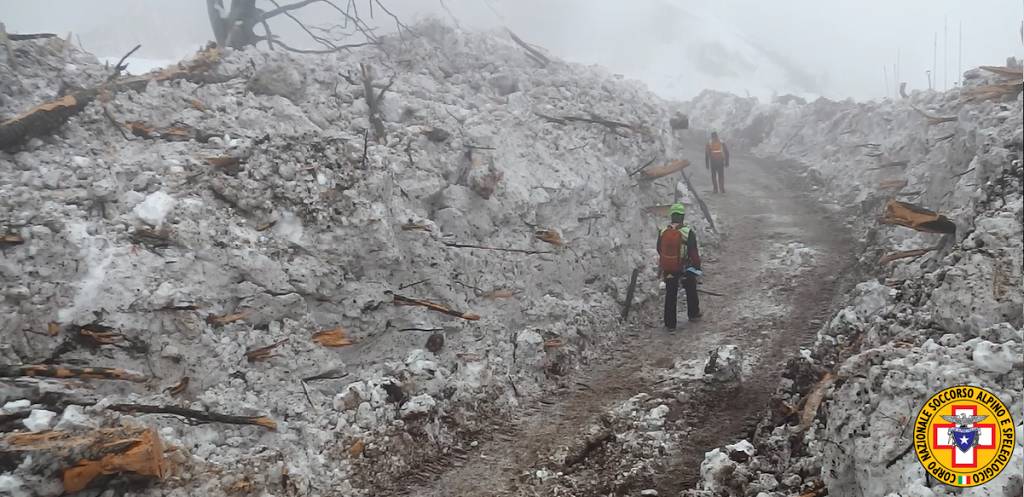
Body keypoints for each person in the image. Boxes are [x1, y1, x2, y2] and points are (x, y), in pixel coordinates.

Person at [656, 203, 702, 330]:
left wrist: (668, 260)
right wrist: (697, 266)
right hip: (685, 267)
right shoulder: (688, 232)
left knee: (670, 294)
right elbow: (693, 252)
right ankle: (693, 313)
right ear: (682, 216)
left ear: (671, 216)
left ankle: (670, 324)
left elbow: (659, 249)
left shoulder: (663, 231)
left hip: (669, 267)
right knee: (691, 287)